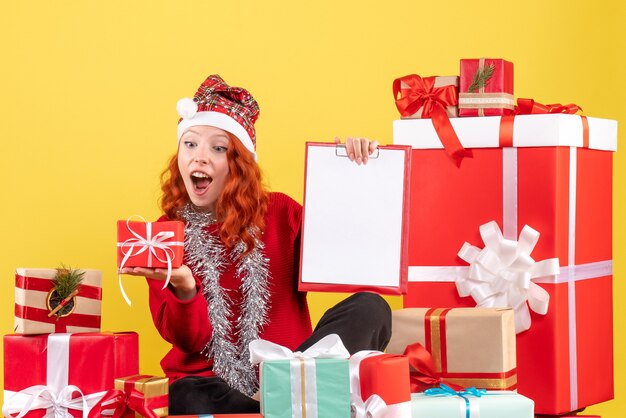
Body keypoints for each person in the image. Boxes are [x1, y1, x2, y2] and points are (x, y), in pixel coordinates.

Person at [120, 74, 391, 414]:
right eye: (190, 144)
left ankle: (285, 391)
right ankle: (280, 404)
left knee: (371, 308)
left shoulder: (281, 211)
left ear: (240, 164)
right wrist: (185, 287)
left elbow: (345, 256)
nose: (199, 158)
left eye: (218, 147)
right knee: (185, 394)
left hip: (293, 366)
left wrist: (350, 175)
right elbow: (188, 343)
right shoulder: (163, 234)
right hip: (213, 384)